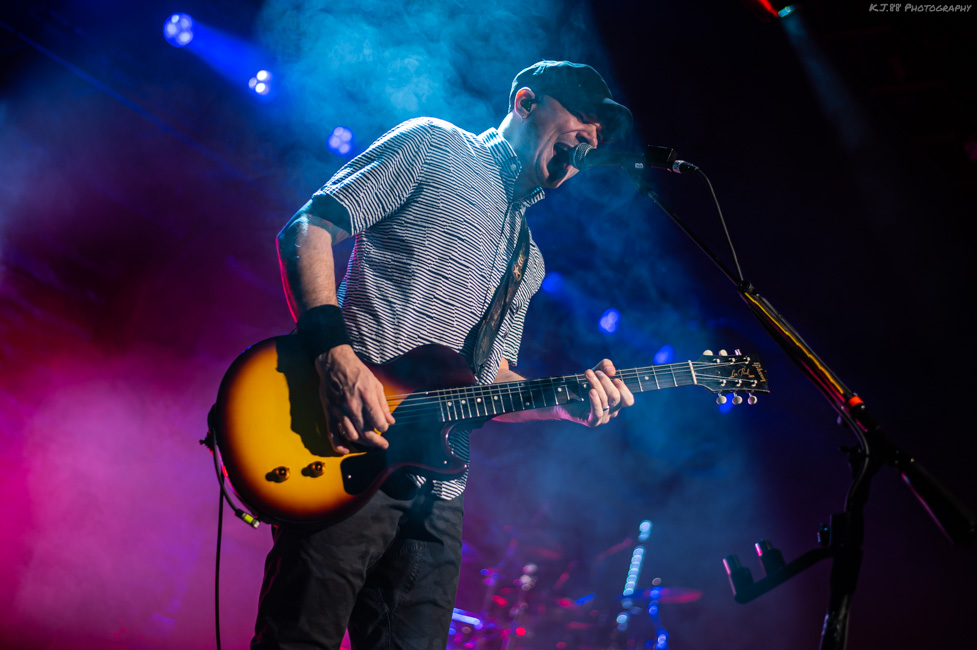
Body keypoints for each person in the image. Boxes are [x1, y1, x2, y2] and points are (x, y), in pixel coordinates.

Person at [252, 60, 636, 650]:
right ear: (526, 102)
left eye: (598, 132)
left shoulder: (528, 259)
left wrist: (563, 403)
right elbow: (309, 227)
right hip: (350, 451)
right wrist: (332, 353)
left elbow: (487, 382)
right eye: (581, 115)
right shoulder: (436, 146)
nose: (589, 135)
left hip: (438, 496)